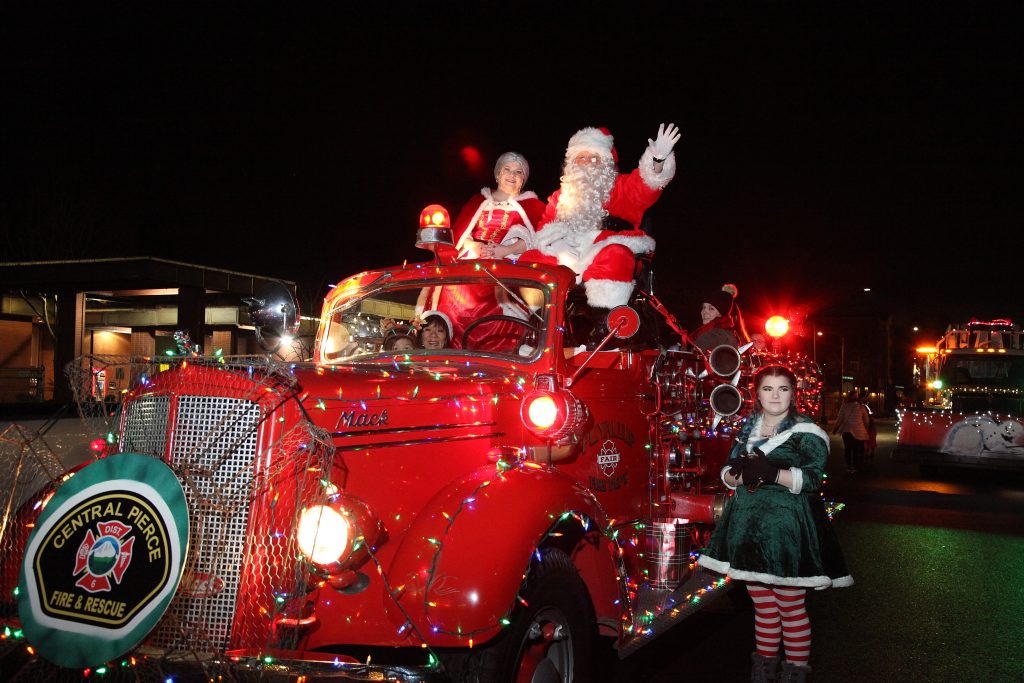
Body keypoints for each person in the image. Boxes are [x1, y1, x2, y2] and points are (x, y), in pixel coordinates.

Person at [698, 365, 853, 683]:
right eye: (768, 389)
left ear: (793, 394)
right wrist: (735, 474)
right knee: (764, 608)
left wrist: (772, 474)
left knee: (791, 608)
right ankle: (764, 672)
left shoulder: (807, 431)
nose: (775, 396)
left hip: (786, 533)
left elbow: (812, 478)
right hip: (748, 530)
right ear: (757, 394)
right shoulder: (747, 429)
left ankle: (794, 675)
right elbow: (728, 469)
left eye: (783, 389)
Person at [519, 123, 680, 333]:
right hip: (567, 256)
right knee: (530, 260)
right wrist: (554, 244)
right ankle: (539, 327)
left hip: (607, 249)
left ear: (605, 162)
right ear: (572, 163)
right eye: (581, 158)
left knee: (616, 255)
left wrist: (657, 160)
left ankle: (607, 329)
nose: (587, 163)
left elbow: (646, 185)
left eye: (594, 158)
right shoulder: (560, 196)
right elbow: (544, 227)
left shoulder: (621, 187)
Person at [420, 152, 544, 350]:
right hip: (472, 260)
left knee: (507, 293)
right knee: (453, 289)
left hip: (507, 263)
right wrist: (474, 246)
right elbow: (460, 234)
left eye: (518, 172)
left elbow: (537, 238)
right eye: (507, 170)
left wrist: (505, 250)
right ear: (497, 174)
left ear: (524, 178)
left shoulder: (533, 206)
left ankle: (503, 351)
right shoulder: (478, 201)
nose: (512, 176)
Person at [691, 284, 741, 351]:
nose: (704, 312)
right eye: (703, 307)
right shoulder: (707, 331)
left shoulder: (718, 335)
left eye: (711, 308)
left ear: (721, 314)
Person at [832, 389, 872, 473]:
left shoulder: (844, 406)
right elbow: (866, 420)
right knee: (858, 450)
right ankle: (857, 465)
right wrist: (866, 429)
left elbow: (839, 419)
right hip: (859, 432)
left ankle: (849, 466)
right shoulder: (861, 407)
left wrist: (835, 429)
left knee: (848, 449)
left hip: (847, 432)